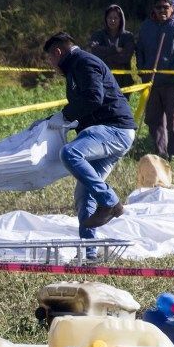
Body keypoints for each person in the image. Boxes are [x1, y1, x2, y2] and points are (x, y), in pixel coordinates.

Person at [42, 32, 137, 258]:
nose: (51, 65)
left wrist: (66, 114)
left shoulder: (84, 62)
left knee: (70, 153)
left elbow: (94, 98)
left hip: (115, 130)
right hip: (105, 131)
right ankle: (88, 254)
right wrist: (65, 120)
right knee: (84, 193)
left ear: (58, 52)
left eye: (50, 59)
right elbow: (87, 105)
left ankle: (110, 201)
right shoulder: (75, 67)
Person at [136, 0, 174, 158]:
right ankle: (160, 152)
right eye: (158, 7)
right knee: (153, 119)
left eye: (165, 7)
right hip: (152, 82)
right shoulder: (146, 26)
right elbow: (139, 50)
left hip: (172, 81)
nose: (162, 10)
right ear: (153, 9)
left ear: (172, 8)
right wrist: (142, 69)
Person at [88, 5, 136, 94]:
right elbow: (95, 52)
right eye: (110, 17)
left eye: (115, 18)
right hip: (102, 81)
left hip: (123, 83)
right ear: (105, 19)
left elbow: (125, 58)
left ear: (121, 19)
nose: (112, 20)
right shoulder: (98, 35)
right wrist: (115, 50)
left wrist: (104, 55)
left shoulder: (128, 36)